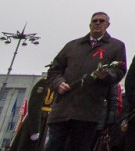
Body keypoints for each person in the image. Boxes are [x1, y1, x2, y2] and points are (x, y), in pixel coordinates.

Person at [45, 12, 127, 151]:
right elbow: (54, 70)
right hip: (63, 110)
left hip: (89, 112)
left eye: (101, 21)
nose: (98, 23)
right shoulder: (72, 45)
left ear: (107, 25)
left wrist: (106, 75)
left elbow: (120, 71)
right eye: (95, 20)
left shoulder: (116, 46)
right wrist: (58, 83)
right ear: (90, 24)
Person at [10, 77, 55, 151]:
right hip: (36, 121)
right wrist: (35, 129)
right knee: (28, 146)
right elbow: (34, 105)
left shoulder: (56, 85)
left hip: (46, 120)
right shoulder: (43, 83)